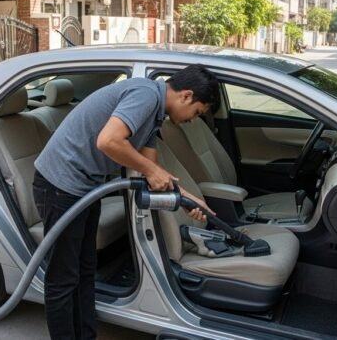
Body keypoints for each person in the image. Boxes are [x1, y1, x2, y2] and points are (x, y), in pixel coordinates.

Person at [32, 64, 220, 340]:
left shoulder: (155, 114)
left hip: (86, 187)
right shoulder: (145, 95)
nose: (193, 120)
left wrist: (187, 199)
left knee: (85, 271)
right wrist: (151, 171)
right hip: (60, 185)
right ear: (186, 95)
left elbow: (153, 172)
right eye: (197, 113)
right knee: (64, 276)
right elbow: (108, 141)